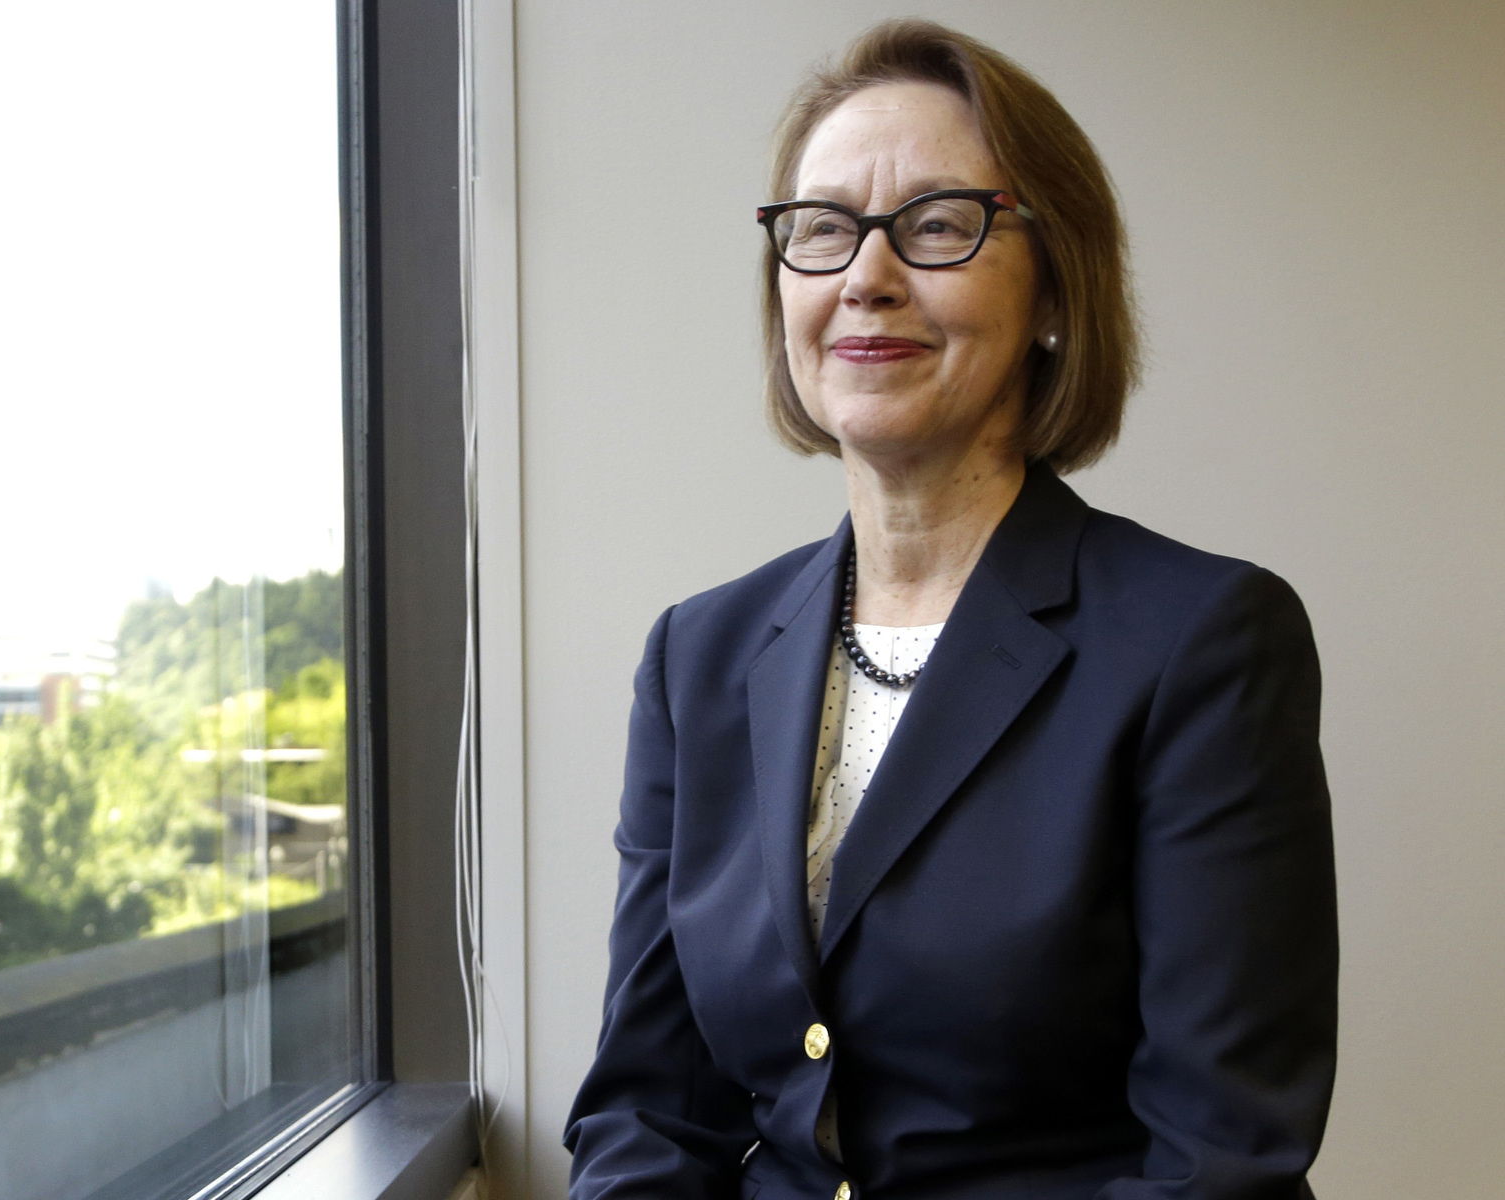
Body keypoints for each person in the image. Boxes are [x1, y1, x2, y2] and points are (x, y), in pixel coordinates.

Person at [564, 20, 1337, 1200]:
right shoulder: (697, 656)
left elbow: (1221, 1161)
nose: (865, 276)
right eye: (821, 230)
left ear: (1051, 290)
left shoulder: (1205, 643)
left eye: (936, 224)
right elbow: (647, 1109)